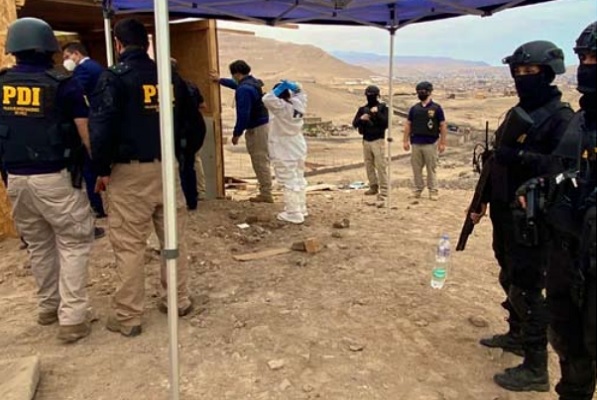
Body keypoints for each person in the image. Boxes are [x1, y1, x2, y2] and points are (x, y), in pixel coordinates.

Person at [470, 40, 574, 392]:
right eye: (517, 71)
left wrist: (520, 158)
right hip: (505, 210)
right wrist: (482, 200)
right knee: (508, 274)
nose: (522, 77)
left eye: (529, 71)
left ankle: (536, 367)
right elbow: (496, 161)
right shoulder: (518, 112)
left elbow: (564, 170)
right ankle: (516, 333)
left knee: (527, 287)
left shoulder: (561, 119)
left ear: (548, 73)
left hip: (533, 216)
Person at [89, 18, 203, 337]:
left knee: (129, 245)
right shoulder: (170, 76)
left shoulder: (114, 78)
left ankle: (128, 316)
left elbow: (102, 130)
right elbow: (194, 125)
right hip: (167, 168)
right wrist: (181, 159)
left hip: (129, 173)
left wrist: (101, 170)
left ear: (118, 44)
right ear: (147, 43)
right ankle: (178, 300)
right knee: (173, 239)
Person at [0, 17, 95, 343]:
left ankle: (48, 307)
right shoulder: (63, 83)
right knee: (74, 242)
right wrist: (99, 167)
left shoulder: (2, 83)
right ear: (49, 48)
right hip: (56, 177)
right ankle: (72, 319)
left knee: (39, 245)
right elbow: (84, 132)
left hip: (16, 179)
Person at [535, 21, 596, 400]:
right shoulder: (580, 120)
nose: (587, 65)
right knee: (568, 342)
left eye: (595, 58)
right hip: (567, 255)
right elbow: (563, 173)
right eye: (584, 58)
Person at [62, 42, 107, 240]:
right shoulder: (96, 67)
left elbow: (74, 92)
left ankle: (97, 206)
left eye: (67, 57)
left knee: (89, 168)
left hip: (89, 122)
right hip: (99, 119)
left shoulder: (84, 70)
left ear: (76, 54)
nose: (66, 61)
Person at [210, 60, 272, 203]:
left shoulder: (244, 89)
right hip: (262, 125)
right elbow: (236, 85)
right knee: (261, 159)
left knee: (259, 160)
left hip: (256, 128)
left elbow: (243, 114)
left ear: (237, 74)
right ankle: (265, 190)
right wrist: (220, 80)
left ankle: (266, 193)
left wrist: (236, 134)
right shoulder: (253, 82)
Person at [263, 80, 308, 224]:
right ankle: (301, 208)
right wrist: (294, 87)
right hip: (297, 146)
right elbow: (301, 93)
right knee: (298, 178)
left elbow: (267, 99)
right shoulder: (298, 104)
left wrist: (280, 88)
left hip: (283, 148)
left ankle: (293, 213)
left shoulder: (280, 108)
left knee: (288, 181)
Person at [402, 81, 447, 201]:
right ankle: (418, 189)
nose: (420, 93)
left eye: (423, 91)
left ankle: (433, 191)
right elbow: (408, 124)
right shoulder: (414, 109)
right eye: (419, 91)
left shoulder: (436, 108)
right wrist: (405, 141)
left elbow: (443, 125)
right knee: (416, 169)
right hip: (416, 143)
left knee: (431, 168)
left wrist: (442, 142)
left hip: (430, 143)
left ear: (429, 92)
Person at [172, 60, 206, 210]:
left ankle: (183, 199)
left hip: (180, 131)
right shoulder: (190, 85)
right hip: (194, 129)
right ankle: (192, 199)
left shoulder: (168, 86)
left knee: (180, 166)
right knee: (189, 164)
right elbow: (202, 105)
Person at [352, 85, 389, 201]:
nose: (370, 97)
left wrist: (377, 114)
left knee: (380, 165)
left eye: (372, 95)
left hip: (378, 140)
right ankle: (373, 186)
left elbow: (386, 124)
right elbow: (354, 124)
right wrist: (362, 119)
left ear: (377, 96)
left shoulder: (383, 108)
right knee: (369, 165)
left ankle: (384, 189)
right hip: (366, 140)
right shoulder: (363, 109)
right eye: (368, 95)